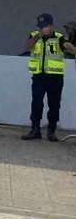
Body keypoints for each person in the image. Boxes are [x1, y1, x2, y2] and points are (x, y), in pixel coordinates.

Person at [20, 13, 76, 141]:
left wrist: (73, 49)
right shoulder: (35, 35)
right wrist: (38, 36)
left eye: (46, 26)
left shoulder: (58, 37)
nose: (43, 29)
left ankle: (51, 131)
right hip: (39, 76)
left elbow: (67, 46)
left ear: (52, 26)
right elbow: (27, 46)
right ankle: (35, 130)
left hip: (55, 78)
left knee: (54, 104)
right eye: (41, 26)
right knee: (37, 103)